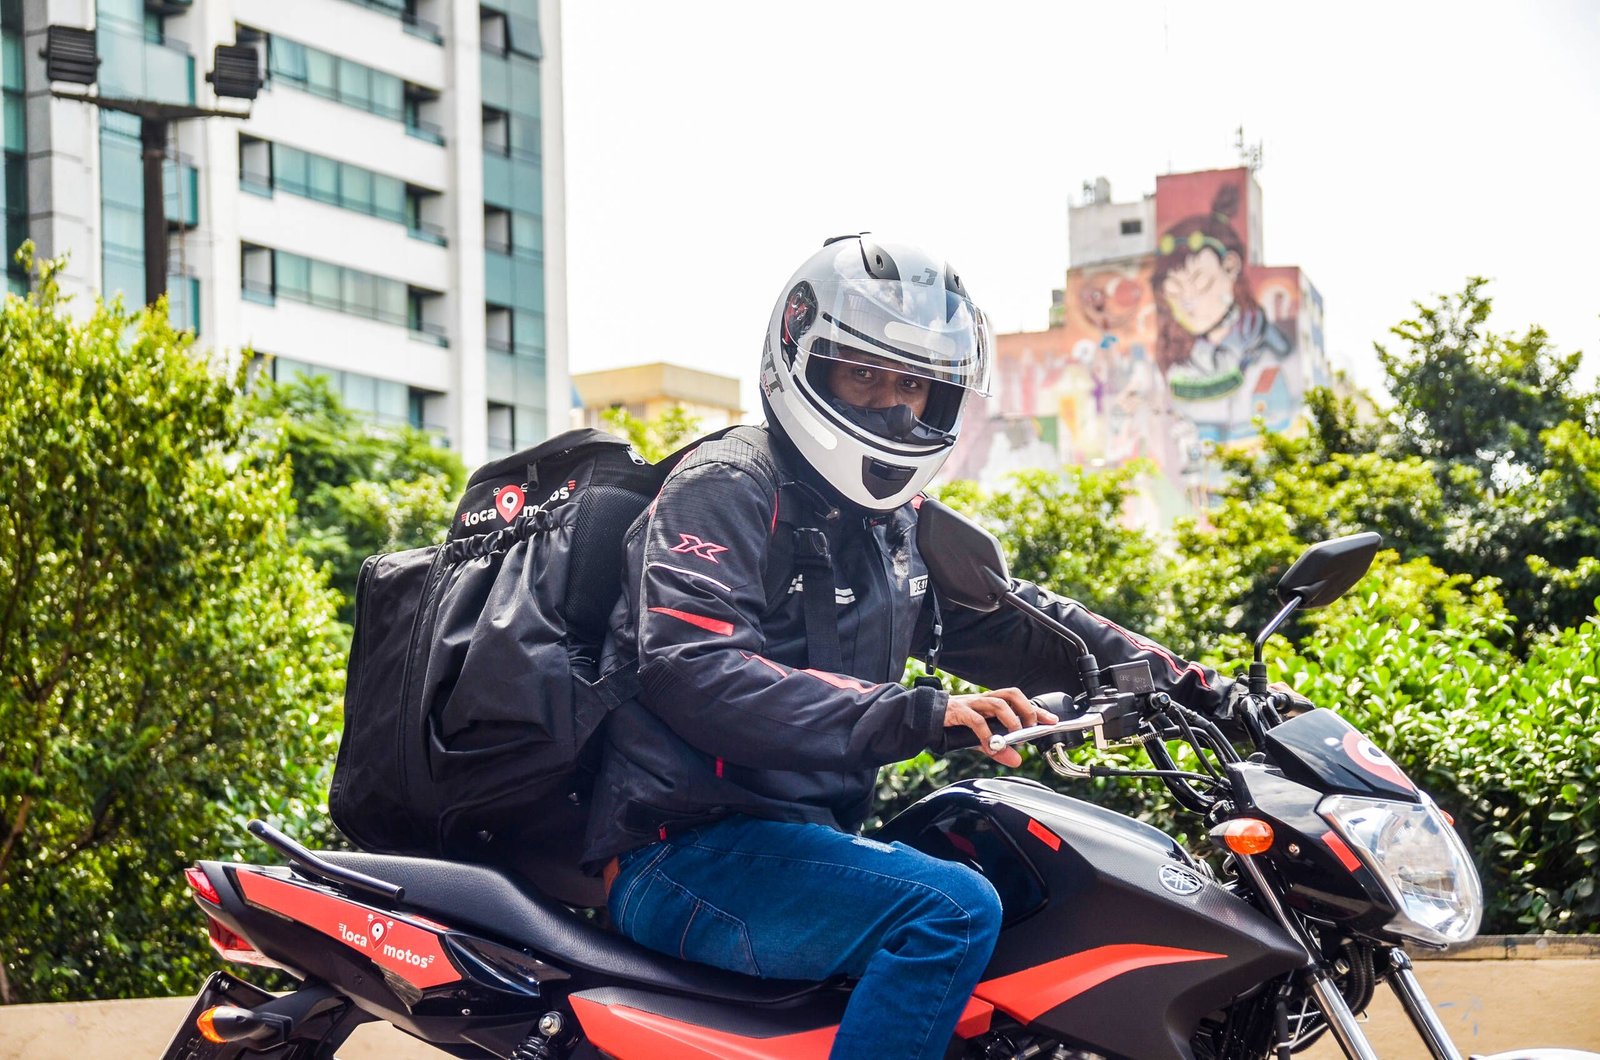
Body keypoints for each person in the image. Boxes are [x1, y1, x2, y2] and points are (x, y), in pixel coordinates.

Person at [581, 235, 1232, 1060]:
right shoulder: (728, 485)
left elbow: (1015, 618)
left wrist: (1189, 681)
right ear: (802, 360)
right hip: (682, 853)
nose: (894, 407)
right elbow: (695, 671)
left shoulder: (892, 523)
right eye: (865, 374)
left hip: (798, 839)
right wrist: (926, 714)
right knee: (950, 911)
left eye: (916, 384)